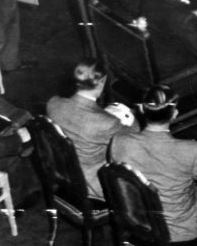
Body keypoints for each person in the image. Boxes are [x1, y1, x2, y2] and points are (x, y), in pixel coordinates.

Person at [110, 85, 197, 242]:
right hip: (181, 229)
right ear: (175, 114)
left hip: (138, 221)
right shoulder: (190, 150)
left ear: (142, 110)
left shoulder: (119, 141)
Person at [47, 59, 137, 199]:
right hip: (94, 186)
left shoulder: (53, 103)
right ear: (101, 81)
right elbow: (135, 138)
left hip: (62, 174)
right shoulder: (107, 122)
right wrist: (134, 116)